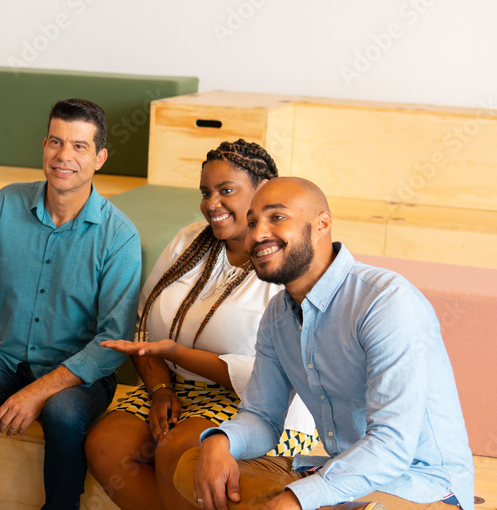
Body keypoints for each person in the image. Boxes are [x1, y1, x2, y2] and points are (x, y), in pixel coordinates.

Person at [176, 177, 475, 510]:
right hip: (337, 472)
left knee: (295, 500)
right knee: (194, 466)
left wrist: (297, 498)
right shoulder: (277, 315)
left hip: (420, 485)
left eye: (276, 217)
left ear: (322, 224)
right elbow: (263, 418)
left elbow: (392, 445)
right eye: (252, 223)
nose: (258, 234)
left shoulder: (386, 301)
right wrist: (222, 441)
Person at [86, 140, 317, 510]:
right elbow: (144, 326)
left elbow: (269, 379)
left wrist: (179, 354)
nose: (212, 203)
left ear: (262, 191)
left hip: (259, 403)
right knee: (105, 446)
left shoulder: (282, 263)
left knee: (178, 450)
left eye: (227, 191)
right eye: (206, 192)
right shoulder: (188, 241)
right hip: (176, 387)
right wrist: (160, 388)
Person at [0, 98, 142, 510]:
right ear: (44, 145)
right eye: (55, 141)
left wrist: (37, 393)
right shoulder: (7, 204)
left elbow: (114, 339)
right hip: (7, 360)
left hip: (79, 374)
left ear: (100, 157)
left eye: (79, 146)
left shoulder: (119, 236)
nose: (64, 156)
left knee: (63, 415)